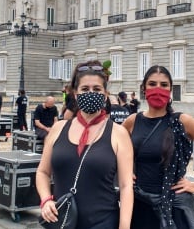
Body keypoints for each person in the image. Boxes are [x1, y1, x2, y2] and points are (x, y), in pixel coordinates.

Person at [122, 65, 194, 228]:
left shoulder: (182, 121)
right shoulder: (132, 121)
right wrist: (125, 172)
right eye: (152, 84)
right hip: (138, 203)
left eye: (164, 85)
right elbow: (114, 151)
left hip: (172, 206)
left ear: (170, 90)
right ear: (143, 88)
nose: (158, 89)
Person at [36, 60, 134, 228]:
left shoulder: (118, 133)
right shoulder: (58, 129)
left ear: (105, 94)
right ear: (75, 93)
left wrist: (124, 226)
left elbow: (126, 186)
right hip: (62, 222)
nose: (91, 93)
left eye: (96, 89)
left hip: (102, 222)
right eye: (85, 89)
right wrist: (45, 200)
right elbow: (43, 172)